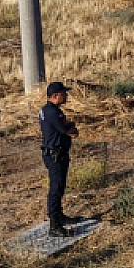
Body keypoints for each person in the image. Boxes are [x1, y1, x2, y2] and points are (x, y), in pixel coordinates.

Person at [39, 82, 81, 237]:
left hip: (57, 153)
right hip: (55, 155)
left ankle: (59, 217)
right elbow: (67, 129)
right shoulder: (52, 112)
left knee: (60, 187)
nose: (66, 95)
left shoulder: (49, 110)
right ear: (55, 96)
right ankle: (54, 225)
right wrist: (71, 129)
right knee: (55, 190)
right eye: (63, 93)